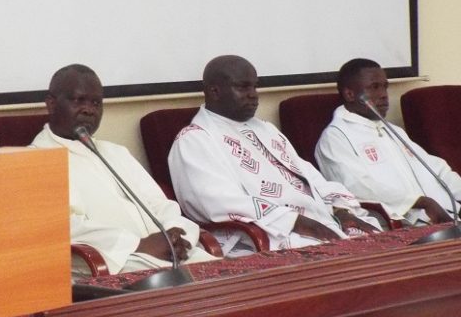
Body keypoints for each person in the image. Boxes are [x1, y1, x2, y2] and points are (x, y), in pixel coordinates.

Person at [168, 55, 380, 252]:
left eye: (254, 86)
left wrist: (341, 210)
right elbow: (218, 202)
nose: (253, 95)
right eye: (243, 87)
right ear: (214, 91)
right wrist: (298, 222)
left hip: (318, 221)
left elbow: (309, 176)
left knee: (379, 240)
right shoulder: (195, 140)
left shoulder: (265, 129)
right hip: (267, 236)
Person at [30, 64, 217, 274]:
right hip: (111, 261)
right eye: (78, 100)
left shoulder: (115, 153)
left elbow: (158, 204)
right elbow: (61, 227)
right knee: (191, 284)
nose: (89, 110)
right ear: (51, 104)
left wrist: (174, 234)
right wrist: (137, 244)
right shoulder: (35, 160)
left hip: (162, 251)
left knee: (227, 274)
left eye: (96, 103)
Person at [315, 58, 460, 226]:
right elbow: (356, 188)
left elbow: (438, 169)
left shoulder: (393, 131)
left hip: (448, 216)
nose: (383, 94)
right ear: (350, 94)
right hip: (406, 225)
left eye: (385, 86)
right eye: (374, 87)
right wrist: (420, 202)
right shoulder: (336, 138)